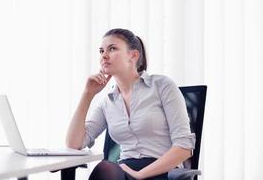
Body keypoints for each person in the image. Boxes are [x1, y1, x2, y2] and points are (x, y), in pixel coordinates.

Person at [66, 28, 195, 180]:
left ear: (133, 55)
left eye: (112, 49)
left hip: (162, 172)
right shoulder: (107, 102)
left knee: (107, 168)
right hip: (124, 171)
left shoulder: (162, 86)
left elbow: (184, 148)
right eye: (101, 51)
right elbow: (74, 144)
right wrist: (87, 94)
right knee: (105, 168)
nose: (104, 56)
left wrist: (140, 175)